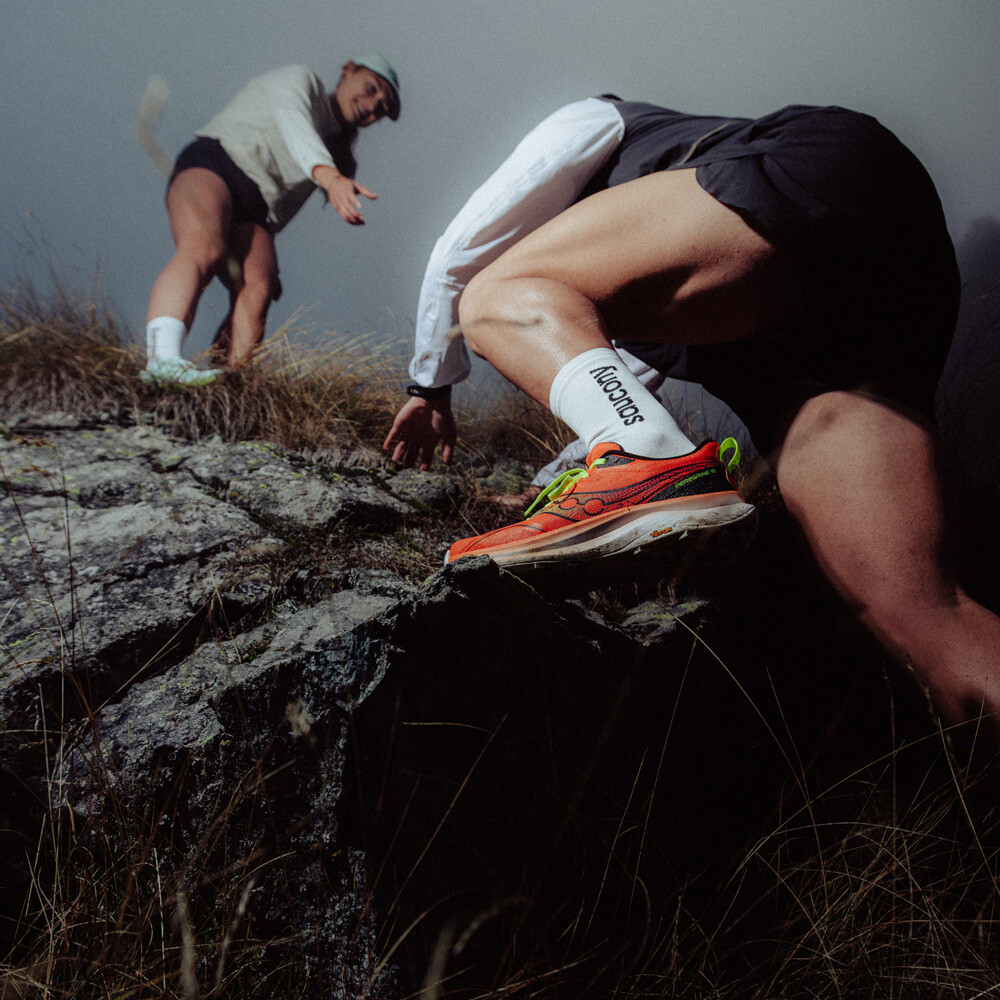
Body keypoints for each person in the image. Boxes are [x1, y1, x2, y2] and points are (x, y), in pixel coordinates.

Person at [381, 94, 1000, 737]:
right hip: (875, 297)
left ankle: (647, 464)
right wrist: (555, 490)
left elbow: (461, 252)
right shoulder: (636, 288)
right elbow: (611, 387)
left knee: (493, 294)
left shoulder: (597, 120)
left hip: (818, 175)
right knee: (923, 618)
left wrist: (429, 388)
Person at [143, 55, 400, 385]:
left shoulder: (339, 155)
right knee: (203, 248)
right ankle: (161, 361)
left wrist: (265, 254)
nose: (373, 105)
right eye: (371, 88)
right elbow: (294, 123)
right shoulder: (301, 79)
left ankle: (227, 384)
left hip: (256, 208)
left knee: (260, 286)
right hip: (217, 162)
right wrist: (331, 178)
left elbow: (283, 206)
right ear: (348, 70)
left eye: (382, 107)